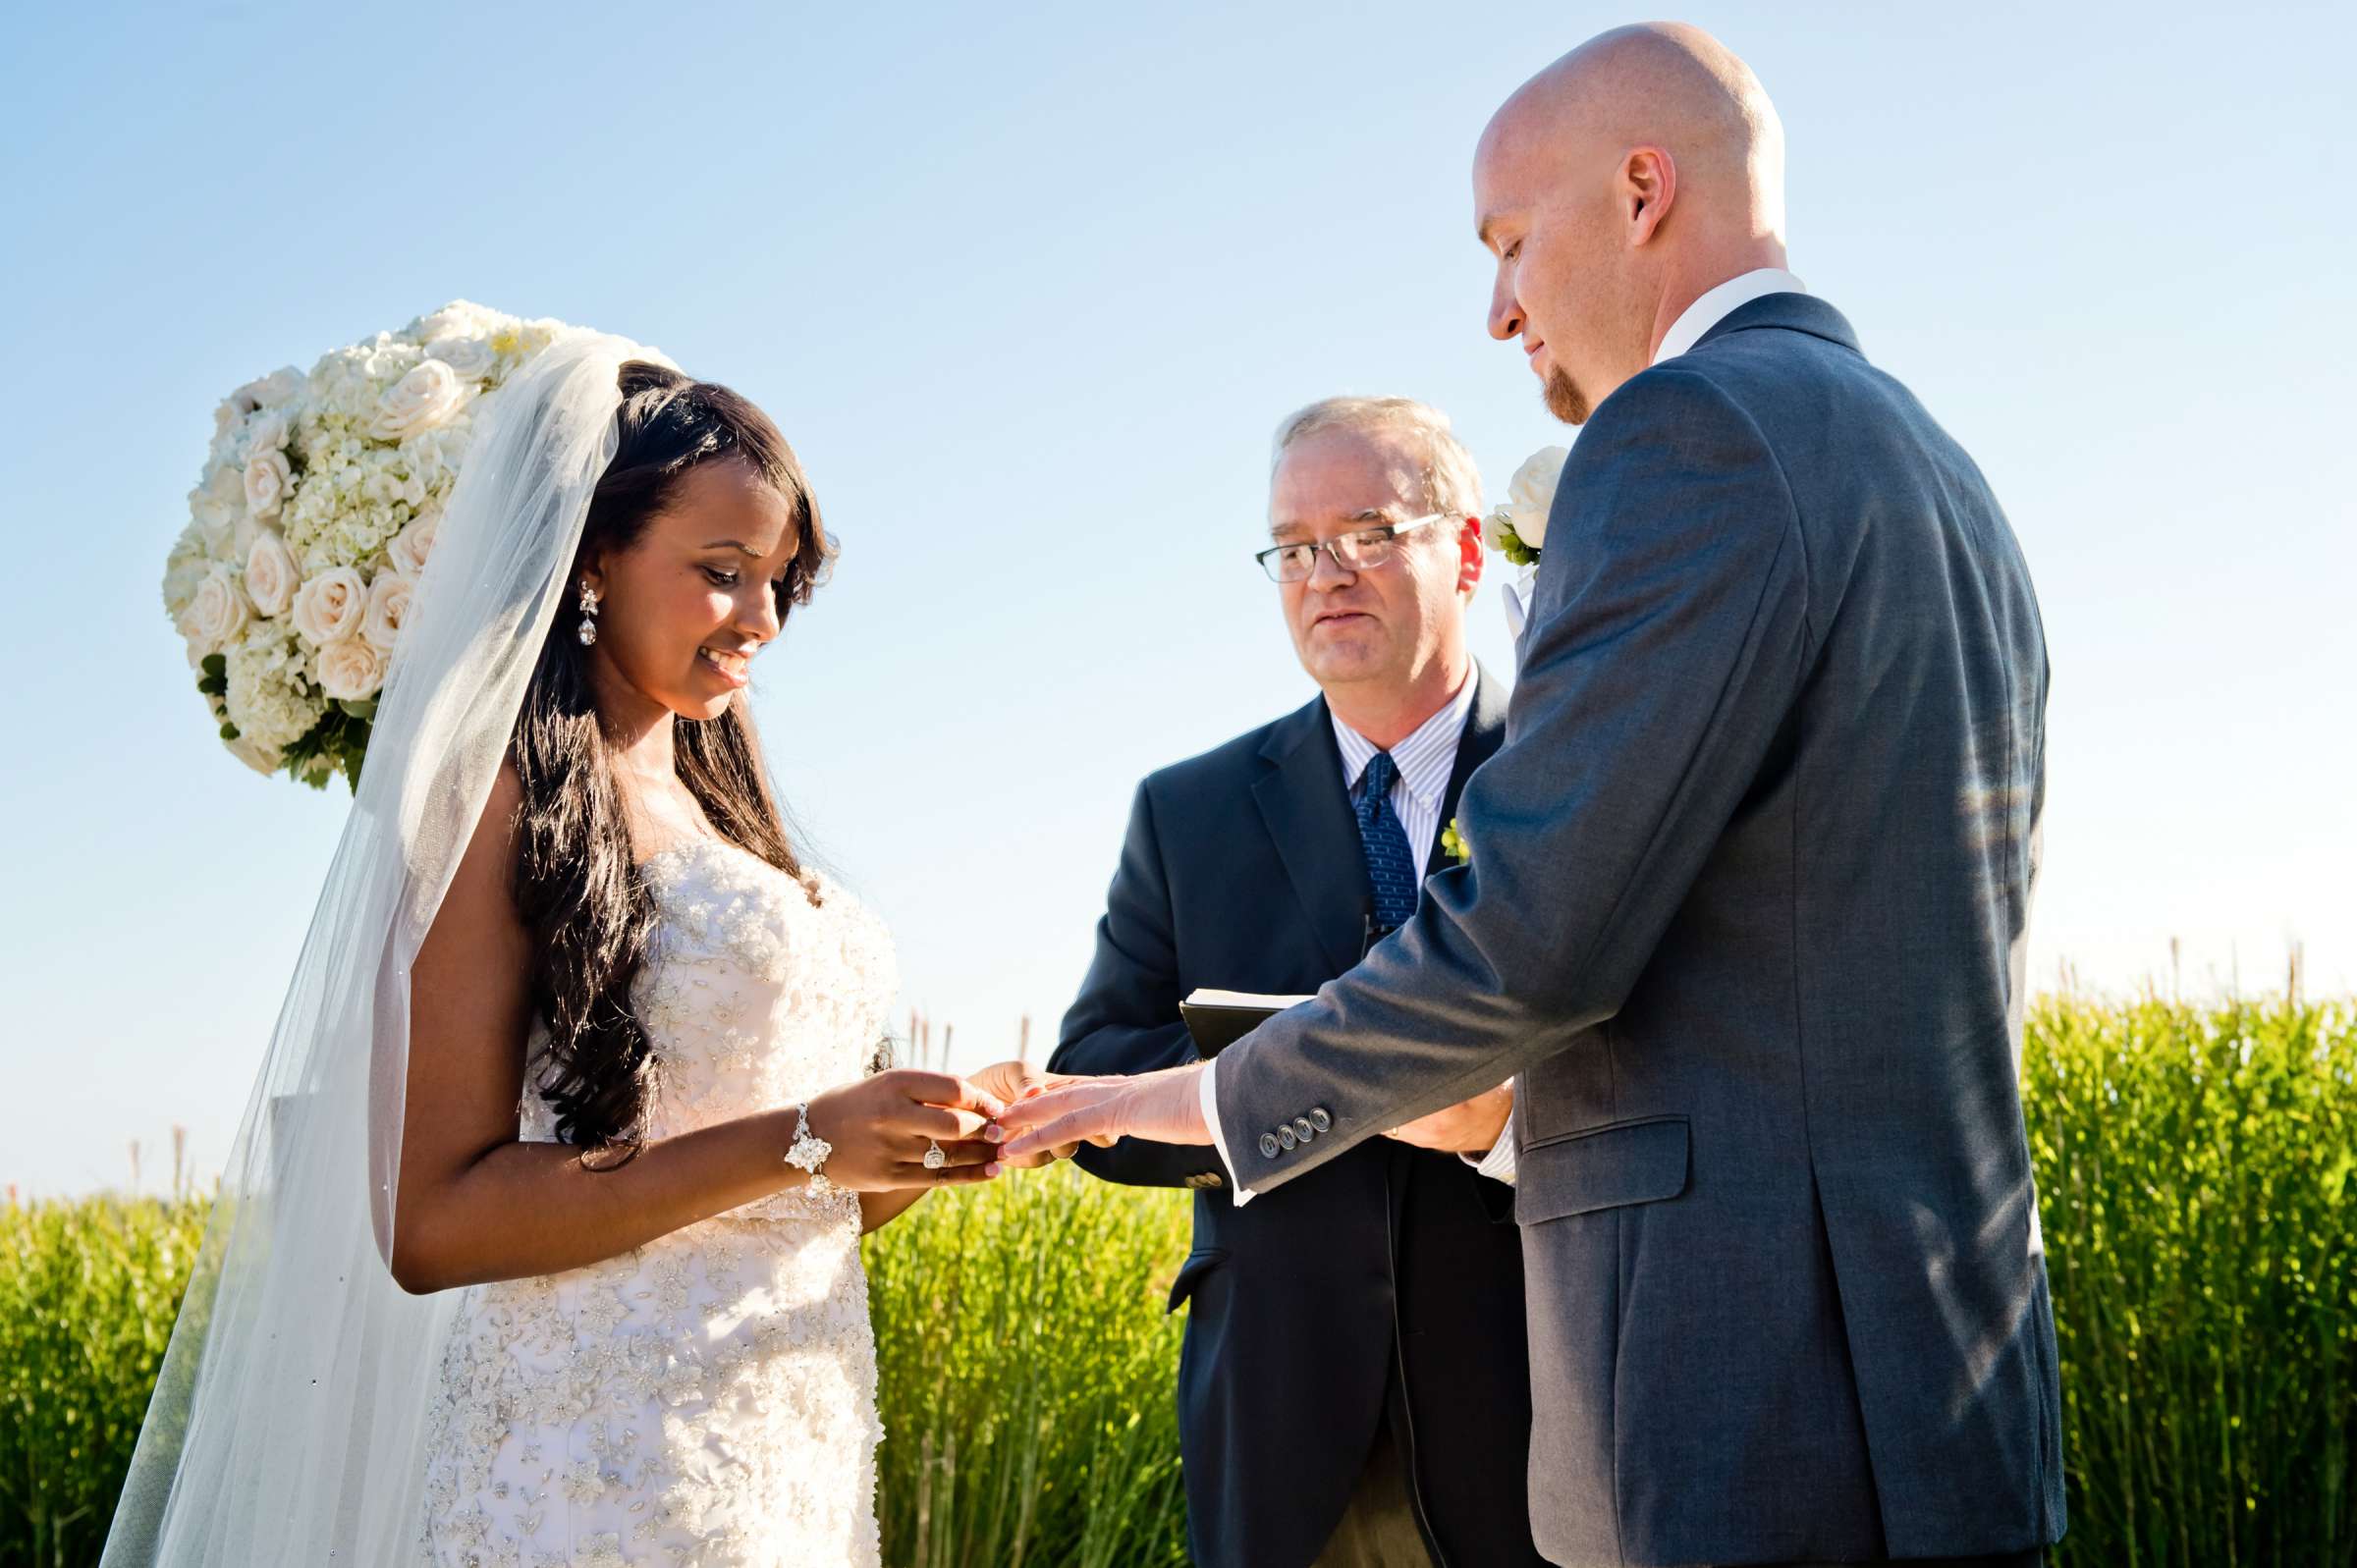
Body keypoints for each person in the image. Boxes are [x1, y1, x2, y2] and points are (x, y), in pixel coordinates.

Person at [1005, 24, 2063, 1568]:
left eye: (1509, 242)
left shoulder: (1686, 432)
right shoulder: (1938, 468)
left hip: (1740, 1413)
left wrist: (1174, 1098)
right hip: (1940, 1394)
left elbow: (1524, 952)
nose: (1498, 309)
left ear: (1643, 192)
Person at [101, 337, 1025, 1568]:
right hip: (594, 1468)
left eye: (779, 581)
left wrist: (909, 1153)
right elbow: (431, 1221)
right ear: (595, 553)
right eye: (722, 571)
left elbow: (760, 1195)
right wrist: (806, 1135)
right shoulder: (499, 797)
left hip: (783, 1443)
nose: (760, 618)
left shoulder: (723, 805)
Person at [1050, 396, 1548, 1568]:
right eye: (1295, 546)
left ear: (1468, 550)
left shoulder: (1565, 771)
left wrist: (1491, 1116)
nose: (1327, 573)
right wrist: (1299, 1078)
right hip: (1278, 1418)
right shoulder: (1188, 812)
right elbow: (1096, 1095)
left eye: (1369, 532)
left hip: (1536, 1405)